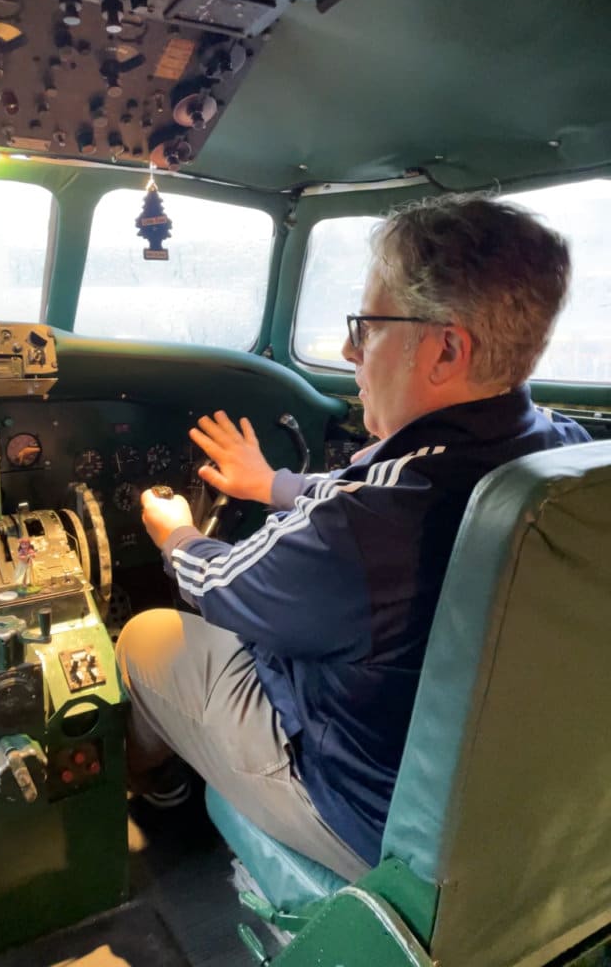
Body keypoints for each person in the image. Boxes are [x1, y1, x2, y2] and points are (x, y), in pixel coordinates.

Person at [115, 193, 590, 879]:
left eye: (366, 328)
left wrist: (177, 534)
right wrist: (273, 485)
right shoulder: (557, 455)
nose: (347, 352)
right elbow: (394, 495)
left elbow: (223, 586)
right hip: (518, 799)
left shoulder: (363, 531)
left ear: (446, 349)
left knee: (148, 639)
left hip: (376, 820)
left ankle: (153, 790)